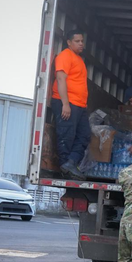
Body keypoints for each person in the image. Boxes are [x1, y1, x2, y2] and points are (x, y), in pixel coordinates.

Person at [51, 29, 90, 179]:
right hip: (67, 103)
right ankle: (65, 168)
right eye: (77, 41)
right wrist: (65, 104)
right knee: (66, 135)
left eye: (82, 41)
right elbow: (61, 79)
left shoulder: (78, 59)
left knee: (85, 135)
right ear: (69, 42)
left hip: (79, 105)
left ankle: (71, 163)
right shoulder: (65, 56)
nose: (81, 44)